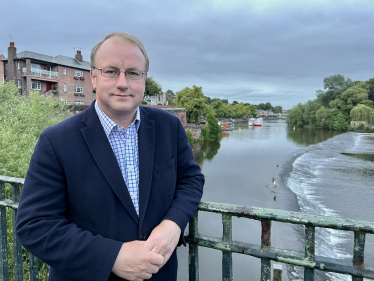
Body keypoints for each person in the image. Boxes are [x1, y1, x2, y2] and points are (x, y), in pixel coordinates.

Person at [16, 31, 204, 281]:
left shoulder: (169, 127)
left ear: (144, 79)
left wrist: (173, 224)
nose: (123, 83)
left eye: (133, 73)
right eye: (112, 71)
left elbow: (191, 180)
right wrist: (112, 257)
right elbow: (35, 225)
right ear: (94, 77)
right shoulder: (56, 141)